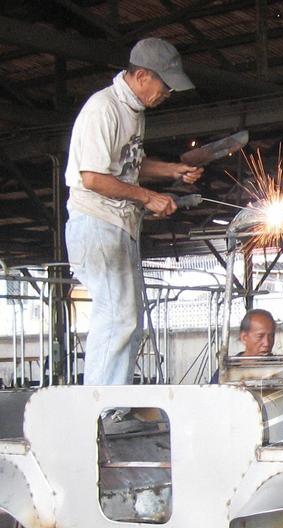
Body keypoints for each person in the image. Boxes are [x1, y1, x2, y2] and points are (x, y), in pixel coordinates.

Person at [65, 38, 204, 385]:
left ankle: (115, 398)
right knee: (116, 316)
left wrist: (172, 171)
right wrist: (147, 197)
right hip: (96, 222)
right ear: (142, 76)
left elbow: (127, 166)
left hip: (117, 224)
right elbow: (93, 177)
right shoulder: (104, 109)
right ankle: (100, 404)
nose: (168, 94)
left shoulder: (134, 112)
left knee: (128, 317)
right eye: (165, 85)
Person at [201, 309, 283, 528]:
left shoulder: (280, 370)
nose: (267, 343)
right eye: (260, 336)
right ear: (244, 337)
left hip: (270, 460)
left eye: (271, 336)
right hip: (233, 462)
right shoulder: (226, 373)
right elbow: (210, 418)